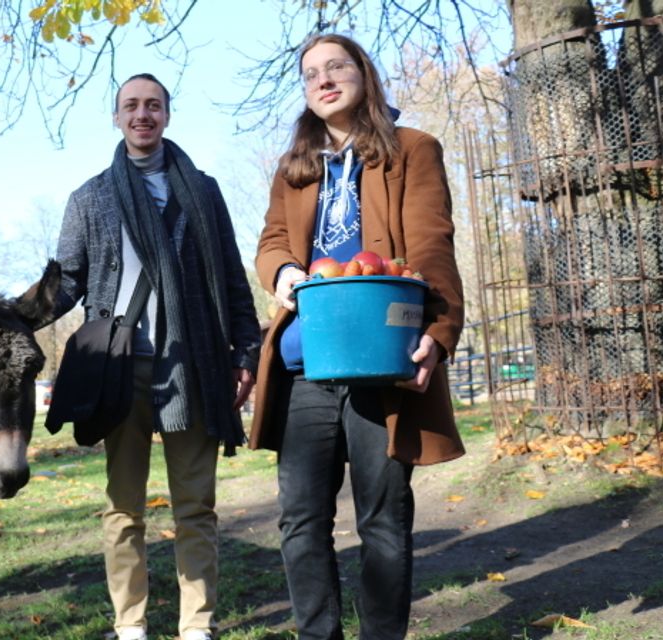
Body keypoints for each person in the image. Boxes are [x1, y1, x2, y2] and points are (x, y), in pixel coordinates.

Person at [249, 34, 467, 640]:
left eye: (336, 66)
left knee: (383, 520)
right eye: (311, 73)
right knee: (300, 520)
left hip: (380, 357)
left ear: (363, 75)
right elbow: (271, 243)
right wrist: (285, 272)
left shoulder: (413, 150)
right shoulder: (293, 170)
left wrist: (439, 333)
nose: (323, 79)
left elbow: (430, 245)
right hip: (303, 365)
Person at [49, 73, 262, 640]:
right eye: (131, 107)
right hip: (121, 371)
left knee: (195, 506)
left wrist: (247, 350)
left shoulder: (204, 190)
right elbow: (65, 282)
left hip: (194, 366)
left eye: (153, 106)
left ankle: (197, 625)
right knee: (125, 510)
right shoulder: (90, 197)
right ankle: (131, 625)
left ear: (167, 115)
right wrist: (6, 314)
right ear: (116, 118)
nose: (142, 115)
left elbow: (233, 281)